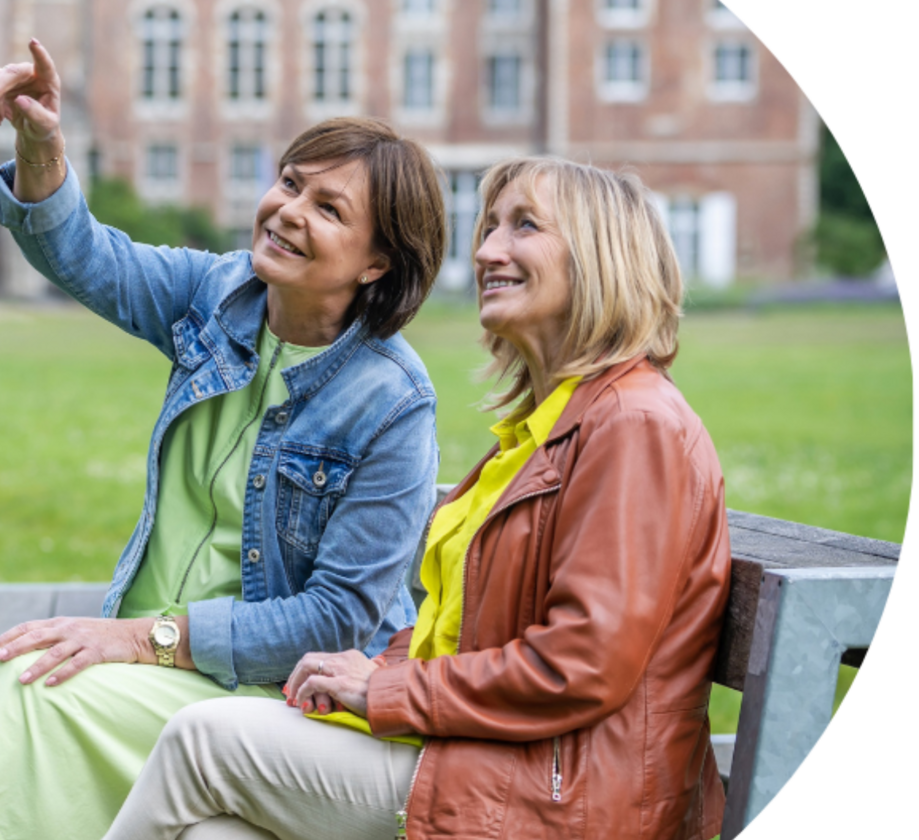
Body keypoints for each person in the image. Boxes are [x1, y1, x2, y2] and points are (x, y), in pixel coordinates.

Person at [0, 40, 446, 840]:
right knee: (17, 684)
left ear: (377, 262)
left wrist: (139, 638)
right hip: (151, 663)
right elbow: (86, 257)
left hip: (266, 694)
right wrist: (40, 146)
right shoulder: (220, 295)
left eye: (329, 209)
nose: (289, 211)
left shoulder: (392, 403)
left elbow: (335, 621)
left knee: (23, 690)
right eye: (290, 184)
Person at [101, 156, 733, 840]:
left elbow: (579, 664)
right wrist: (380, 664)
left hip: (566, 802)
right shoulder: (541, 430)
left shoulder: (634, 424)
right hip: (493, 759)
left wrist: (384, 690)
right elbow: (470, 636)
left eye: (525, 226)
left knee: (204, 740)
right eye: (489, 227)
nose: (489, 249)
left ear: (602, 254)